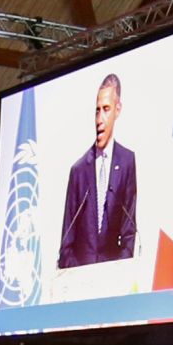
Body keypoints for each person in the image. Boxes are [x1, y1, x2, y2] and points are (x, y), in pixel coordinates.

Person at [58, 71, 138, 269]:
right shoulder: (78, 170)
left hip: (112, 281)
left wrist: (118, 272)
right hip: (79, 280)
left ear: (118, 110)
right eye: (97, 110)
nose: (99, 119)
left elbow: (128, 233)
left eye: (106, 109)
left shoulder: (127, 161)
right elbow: (66, 241)